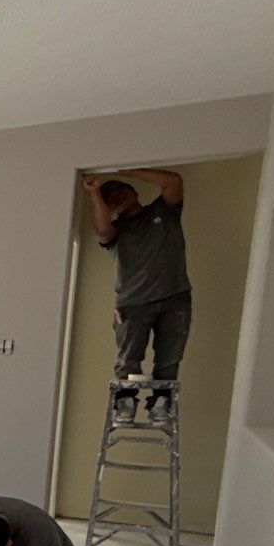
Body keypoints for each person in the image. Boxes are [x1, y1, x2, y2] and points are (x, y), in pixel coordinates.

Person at [83, 167, 189, 422]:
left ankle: (161, 406)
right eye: (112, 197)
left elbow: (173, 182)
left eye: (121, 189)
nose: (118, 195)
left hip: (175, 297)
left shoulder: (165, 212)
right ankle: (125, 406)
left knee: (169, 360)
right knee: (128, 360)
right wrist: (95, 193)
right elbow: (102, 229)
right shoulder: (116, 231)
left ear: (133, 190)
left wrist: (130, 170)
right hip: (133, 303)